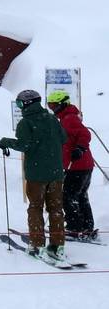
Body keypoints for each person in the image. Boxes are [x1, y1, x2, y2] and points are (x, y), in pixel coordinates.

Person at [0, 89, 68, 262]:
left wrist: (5, 142)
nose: (20, 106)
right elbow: (63, 138)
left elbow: (24, 145)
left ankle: (37, 245)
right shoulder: (52, 119)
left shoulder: (26, 123)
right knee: (56, 209)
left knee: (35, 208)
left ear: (27, 103)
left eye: (20, 103)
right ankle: (58, 245)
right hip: (56, 172)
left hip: (37, 174)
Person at [47, 90, 98, 242]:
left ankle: (75, 227)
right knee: (80, 195)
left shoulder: (69, 118)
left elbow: (85, 134)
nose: (52, 108)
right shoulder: (67, 117)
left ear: (61, 104)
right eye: (50, 105)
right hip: (83, 165)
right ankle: (86, 226)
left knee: (68, 196)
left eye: (53, 105)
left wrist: (80, 148)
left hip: (78, 166)